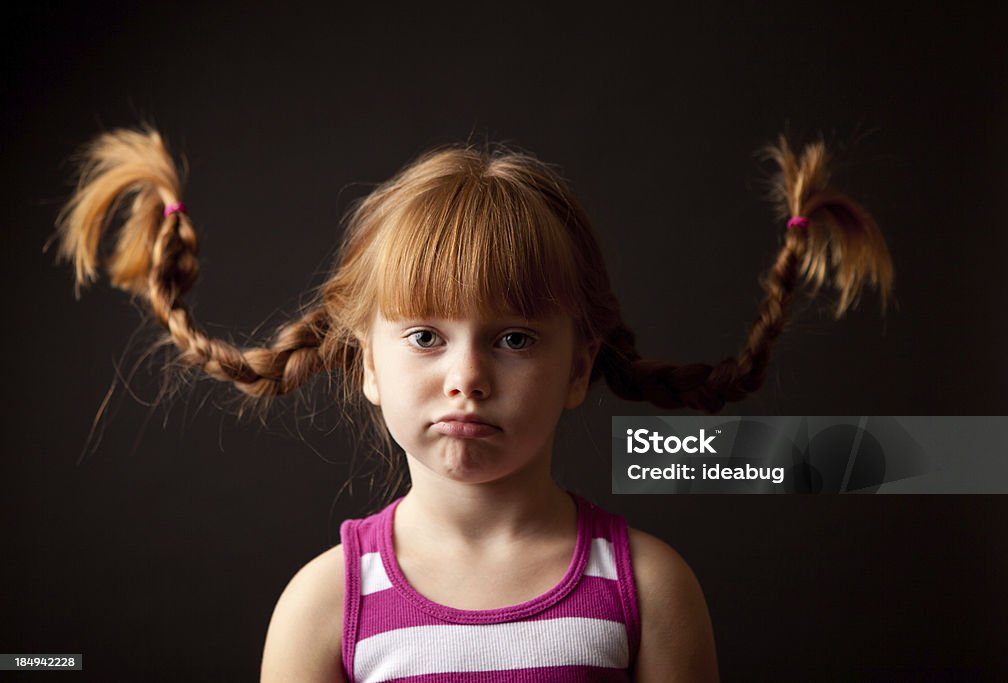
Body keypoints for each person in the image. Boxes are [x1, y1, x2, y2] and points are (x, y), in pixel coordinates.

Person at [53, 125, 892, 682]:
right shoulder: (326, 604)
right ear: (366, 364)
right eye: (424, 335)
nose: (467, 376)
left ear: (577, 366)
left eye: (516, 338)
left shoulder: (648, 589)